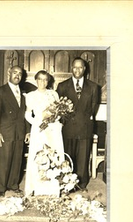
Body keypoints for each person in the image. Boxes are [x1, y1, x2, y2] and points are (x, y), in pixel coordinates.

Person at [56, 57, 100, 192]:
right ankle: (67, 184)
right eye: (75, 67)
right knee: (68, 157)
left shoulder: (93, 87)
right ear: (71, 68)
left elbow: (93, 108)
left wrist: (83, 120)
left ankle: (81, 184)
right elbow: (58, 108)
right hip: (68, 128)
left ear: (84, 69)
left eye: (80, 67)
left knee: (83, 157)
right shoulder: (62, 86)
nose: (77, 70)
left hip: (85, 127)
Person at [24, 70, 64, 196]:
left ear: (48, 81)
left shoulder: (54, 94)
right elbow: (27, 114)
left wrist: (53, 120)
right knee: (39, 154)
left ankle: (53, 188)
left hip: (53, 129)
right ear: (36, 80)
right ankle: (36, 186)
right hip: (39, 128)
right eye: (40, 79)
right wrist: (38, 122)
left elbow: (58, 112)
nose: (42, 82)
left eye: (45, 79)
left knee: (54, 154)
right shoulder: (30, 95)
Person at [0, 65, 30, 197]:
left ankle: (13, 185)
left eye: (20, 74)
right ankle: (1, 188)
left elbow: (25, 114)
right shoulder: (0, 91)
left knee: (17, 160)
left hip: (19, 131)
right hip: (6, 131)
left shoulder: (24, 93)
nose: (17, 76)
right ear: (9, 73)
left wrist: (27, 131)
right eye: (15, 72)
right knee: (5, 159)